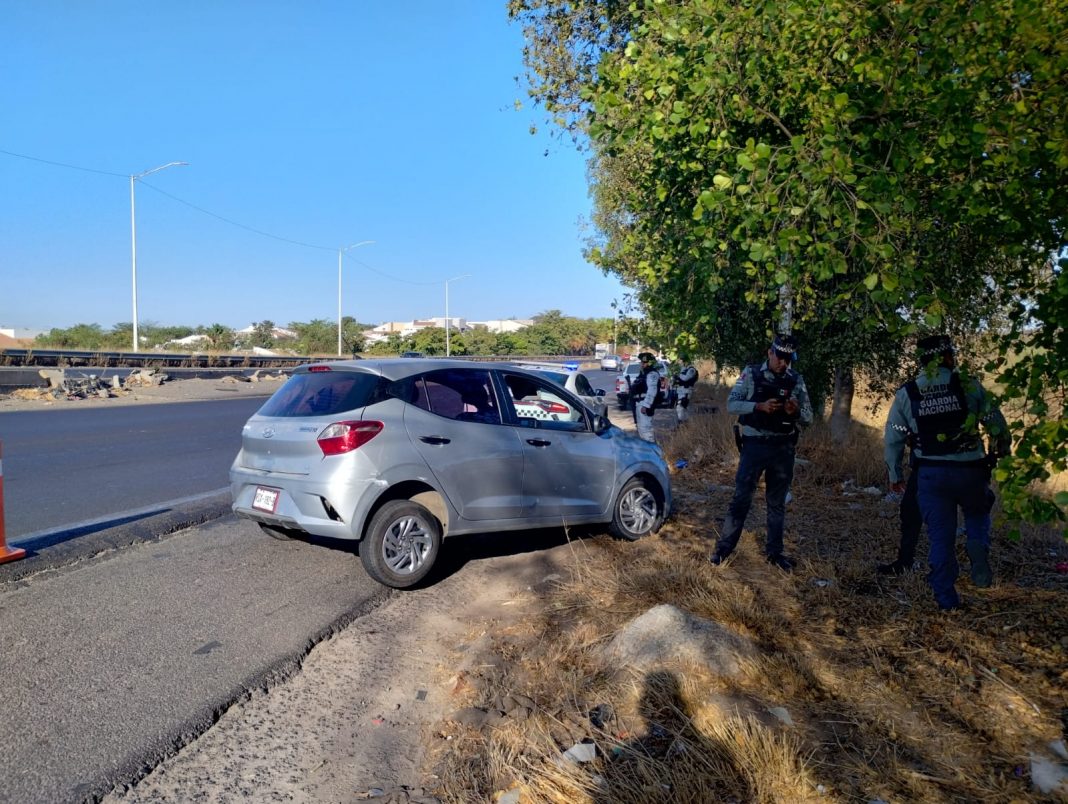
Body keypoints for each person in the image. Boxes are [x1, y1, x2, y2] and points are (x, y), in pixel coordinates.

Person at [884, 334, 1011, 611]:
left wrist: (895, 475)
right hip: (971, 470)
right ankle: (977, 544)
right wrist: (1001, 450)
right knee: (977, 514)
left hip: (931, 474)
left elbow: (893, 438)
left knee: (940, 536)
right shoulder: (969, 386)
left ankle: (946, 599)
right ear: (947, 357)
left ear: (922, 361)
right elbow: (997, 425)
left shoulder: (908, 392)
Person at [710, 333, 813, 571]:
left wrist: (795, 412)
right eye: (780, 358)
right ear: (770, 353)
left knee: (776, 503)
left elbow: (809, 418)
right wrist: (758, 406)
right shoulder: (751, 374)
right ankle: (723, 550)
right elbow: (732, 404)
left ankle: (775, 554)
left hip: (783, 448)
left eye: (788, 359)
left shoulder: (796, 380)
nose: (783, 363)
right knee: (741, 499)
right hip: (755, 445)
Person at [876, 436, 924, 576]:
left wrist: (895, 475)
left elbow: (894, 436)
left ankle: (905, 561)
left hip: (927, 465)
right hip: (969, 464)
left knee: (910, 514)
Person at [630, 351, 663, 443]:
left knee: (646, 430)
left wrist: (646, 405)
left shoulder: (652, 374)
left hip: (644, 404)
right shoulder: (643, 374)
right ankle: (645, 449)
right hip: (639, 403)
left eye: (644, 362)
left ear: (650, 363)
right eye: (642, 362)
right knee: (641, 429)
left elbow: (652, 390)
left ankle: (652, 449)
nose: (642, 364)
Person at [672, 359, 699, 424]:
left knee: (681, 407)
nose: (680, 363)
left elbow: (685, 378)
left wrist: (678, 375)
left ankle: (681, 423)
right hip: (681, 391)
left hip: (686, 391)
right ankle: (685, 424)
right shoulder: (683, 369)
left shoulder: (691, 370)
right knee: (683, 408)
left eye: (681, 361)